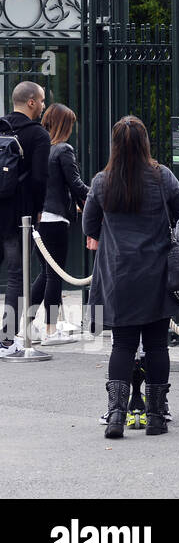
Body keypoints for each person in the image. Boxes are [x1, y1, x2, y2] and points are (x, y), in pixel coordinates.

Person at [83, 116, 179, 438]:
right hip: (157, 273)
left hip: (119, 275)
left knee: (123, 344)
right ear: (145, 143)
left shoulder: (102, 182)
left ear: (114, 145)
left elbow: (89, 226)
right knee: (158, 345)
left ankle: (117, 414)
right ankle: (156, 416)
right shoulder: (162, 177)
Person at [29, 103, 89, 345]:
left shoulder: (40, 149)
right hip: (56, 220)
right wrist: (99, 194)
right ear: (65, 125)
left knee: (44, 274)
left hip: (38, 219)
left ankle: (25, 325)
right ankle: (51, 330)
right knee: (54, 276)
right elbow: (76, 185)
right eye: (71, 124)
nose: (72, 129)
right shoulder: (63, 150)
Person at [1, 81, 50, 350]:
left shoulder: (0, 127)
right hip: (19, 215)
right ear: (31, 102)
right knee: (16, 275)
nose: (43, 106)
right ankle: (6, 338)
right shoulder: (38, 135)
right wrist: (38, 209)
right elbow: (40, 179)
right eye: (41, 101)